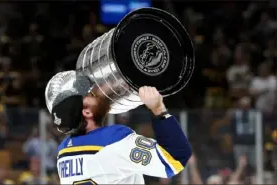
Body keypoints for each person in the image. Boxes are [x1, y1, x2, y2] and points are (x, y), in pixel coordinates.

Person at [45, 71, 192, 184]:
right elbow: (175, 158)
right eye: (90, 93)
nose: (96, 92)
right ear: (87, 112)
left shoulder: (63, 150)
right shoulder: (113, 140)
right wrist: (158, 109)